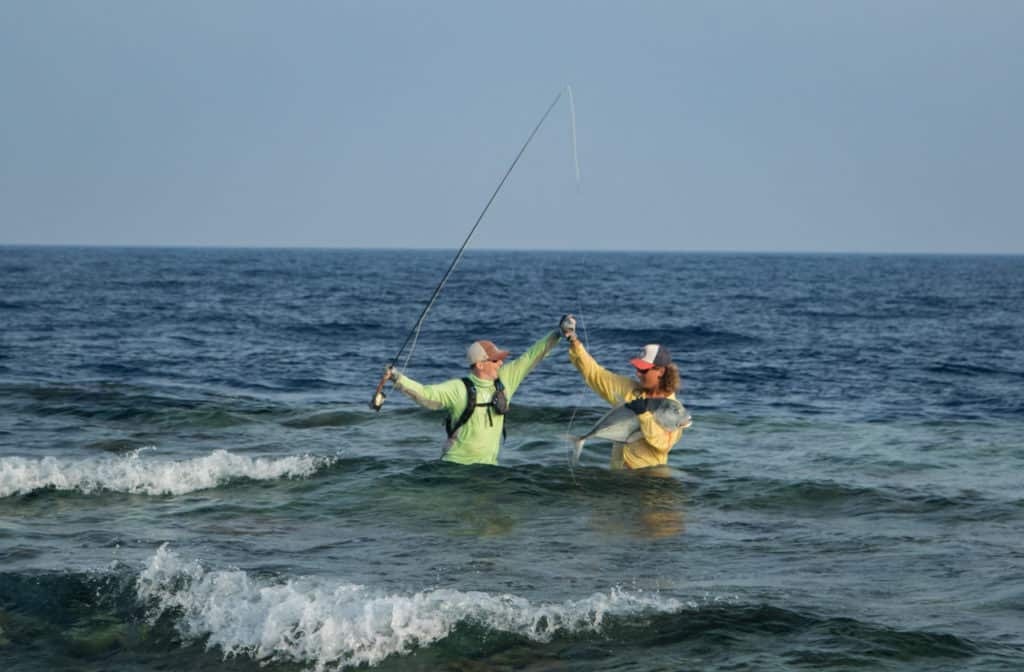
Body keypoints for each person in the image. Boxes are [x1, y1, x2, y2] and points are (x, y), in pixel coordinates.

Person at [385, 327, 561, 465]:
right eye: (494, 360)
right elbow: (425, 395)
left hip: (489, 468)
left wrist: (558, 333)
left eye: (500, 359)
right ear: (479, 365)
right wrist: (396, 377)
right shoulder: (458, 388)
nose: (501, 362)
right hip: (455, 469)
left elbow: (530, 357)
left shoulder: (506, 380)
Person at [559, 314, 692, 469]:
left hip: (648, 481)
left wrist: (644, 415)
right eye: (637, 369)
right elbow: (595, 374)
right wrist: (572, 339)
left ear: (660, 371)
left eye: (643, 370)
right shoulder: (630, 390)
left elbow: (662, 444)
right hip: (617, 476)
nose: (637, 374)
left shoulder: (673, 409)